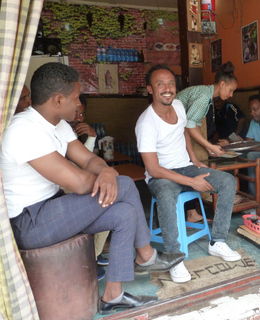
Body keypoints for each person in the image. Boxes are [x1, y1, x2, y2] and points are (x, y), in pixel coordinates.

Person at [0, 62, 185, 315]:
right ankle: (146, 256)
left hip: (53, 208)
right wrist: (108, 175)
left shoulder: (58, 125)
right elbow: (76, 183)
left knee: (125, 214)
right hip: (30, 222)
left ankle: (113, 295)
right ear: (57, 100)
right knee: (126, 185)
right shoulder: (25, 129)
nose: (79, 104)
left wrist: (106, 170)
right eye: (75, 98)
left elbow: (88, 160)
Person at [136, 65, 241, 284]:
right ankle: (175, 257)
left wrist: (193, 159)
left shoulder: (178, 105)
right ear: (150, 89)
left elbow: (184, 131)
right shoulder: (146, 123)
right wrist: (191, 181)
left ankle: (218, 241)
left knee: (227, 181)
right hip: (161, 176)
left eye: (171, 83)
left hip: (186, 167)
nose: (167, 88)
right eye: (160, 84)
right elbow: (153, 169)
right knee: (165, 194)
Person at [67, 94, 109, 281]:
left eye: (82, 114)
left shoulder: (75, 134)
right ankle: (89, 259)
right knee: (102, 201)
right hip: (62, 186)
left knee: (108, 198)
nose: (78, 118)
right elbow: (72, 168)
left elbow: (87, 160)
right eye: (75, 112)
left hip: (77, 182)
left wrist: (91, 137)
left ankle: (94, 254)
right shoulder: (56, 131)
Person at [177, 61, 238, 157]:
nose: (231, 95)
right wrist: (210, 145)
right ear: (222, 84)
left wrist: (208, 147)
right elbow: (189, 125)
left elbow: (195, 125)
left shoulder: (207, 94)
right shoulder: (204, 96)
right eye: (231, 90)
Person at [244, 94, 260, 195]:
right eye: (250, 110)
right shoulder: (253, 122)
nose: (252, 113)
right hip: (258, 151)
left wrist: (252, 147)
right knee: (236, 155)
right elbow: (248, 143)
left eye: (255, 110)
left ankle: (254, 197)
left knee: (251, 155)